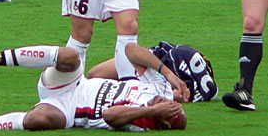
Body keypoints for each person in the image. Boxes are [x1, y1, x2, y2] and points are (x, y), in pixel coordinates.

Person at [0, 41, 189, 131]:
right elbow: (131, 50)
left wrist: (151, 112)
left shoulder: (141, 122)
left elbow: (110, 115)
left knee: (37, 120)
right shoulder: (152, 88)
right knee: (69, 56)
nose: (167, 103)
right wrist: (166, 71)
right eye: (172, 104)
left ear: (163, 121)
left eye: (169, 110)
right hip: (74, 82)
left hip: (67, 108)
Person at [88, 41, 218, 102]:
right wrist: (168, 73)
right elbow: (131, 49)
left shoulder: (164, 92)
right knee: (96, 75)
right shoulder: (163, 71)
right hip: (166, 66)